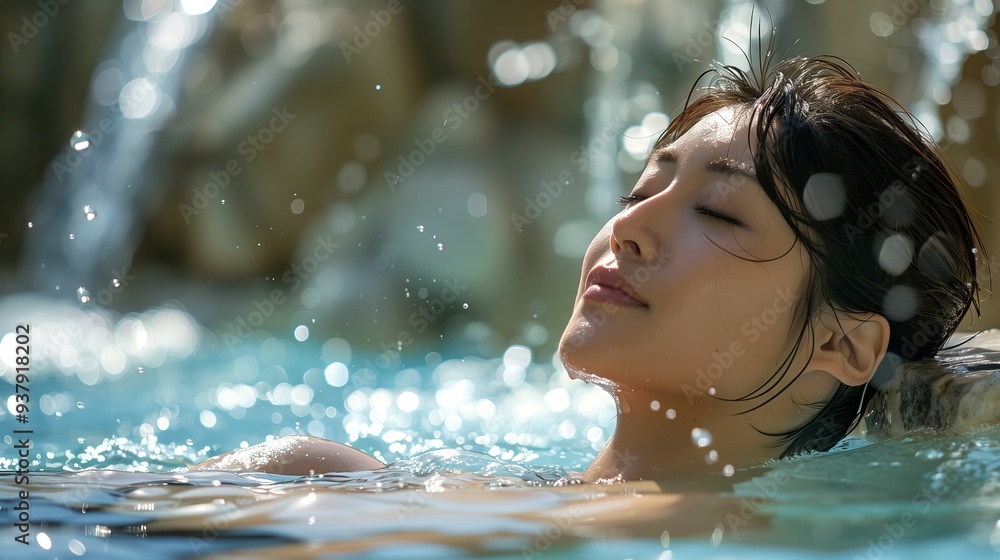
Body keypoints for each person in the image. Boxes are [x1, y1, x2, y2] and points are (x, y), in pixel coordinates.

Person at [194, 53, 985, 481]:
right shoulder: (323, 480)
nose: (629, 228)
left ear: (846, 347)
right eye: (642, 188)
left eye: (718, 212)